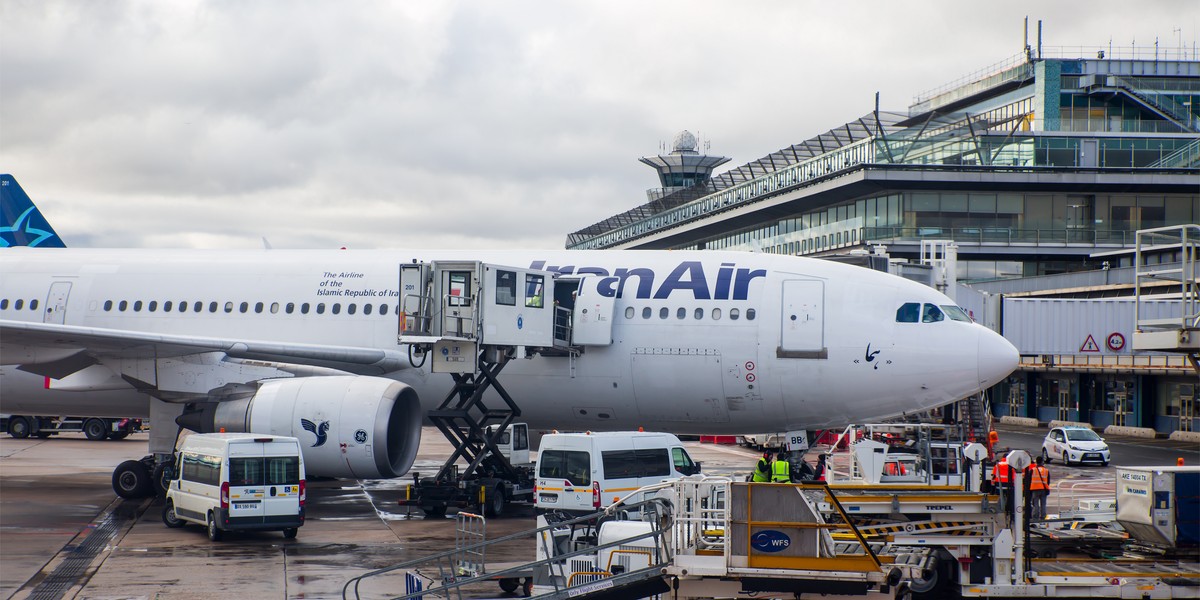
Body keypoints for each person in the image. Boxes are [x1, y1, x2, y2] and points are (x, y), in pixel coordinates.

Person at [1027, 456, 1050, 520]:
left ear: (1036, 462)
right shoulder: (1046, 470)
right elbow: (1048, 481)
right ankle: (1043, 516)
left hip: (1034, 489)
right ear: (1042, 462)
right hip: (1044, 489)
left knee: (1035, 504)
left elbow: (1029, 480)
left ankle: (1035, 517)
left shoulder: (1032, 470)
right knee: (1043, 504)